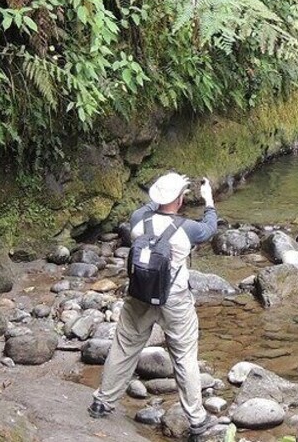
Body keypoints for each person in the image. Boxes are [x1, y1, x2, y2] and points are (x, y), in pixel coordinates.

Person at [88, 172, 219, 441]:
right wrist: (208, 201)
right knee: (184, 357)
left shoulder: (138, 220)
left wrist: (162, 192)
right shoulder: (187, 229)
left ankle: (102, 402)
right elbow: (210, 228)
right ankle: (196, 419)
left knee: (124, 348)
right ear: (181, 200)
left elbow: (147, 208)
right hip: (176, 300)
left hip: (139, 296)